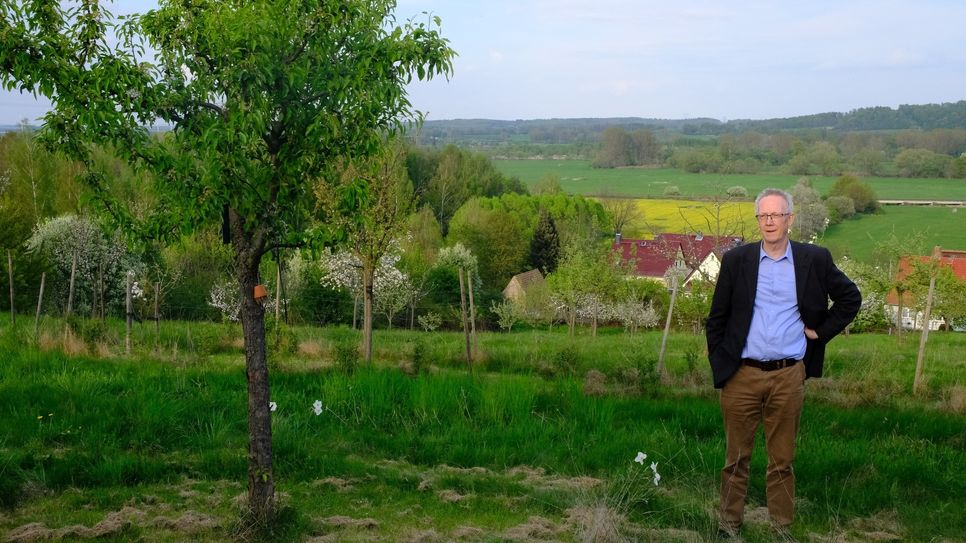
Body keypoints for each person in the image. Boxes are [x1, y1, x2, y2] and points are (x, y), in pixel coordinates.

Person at [706, 188, 861, 539]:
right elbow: (716, 318)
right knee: (735, 459)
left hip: (789, 374)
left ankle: (781, 528)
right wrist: (721, 361)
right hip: (741, 375)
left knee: (782, 461)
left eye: (777, 214)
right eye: (764, 215)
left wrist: (820, 333)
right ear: (758, 220)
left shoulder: (814, 259)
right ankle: (728, 525)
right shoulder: (736, 261)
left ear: (790, 219)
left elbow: (851, 298)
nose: (770, 221)